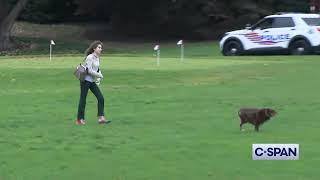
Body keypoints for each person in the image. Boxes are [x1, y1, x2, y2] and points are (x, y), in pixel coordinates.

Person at [76, 40, 110, 125]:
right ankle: (80, 120)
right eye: (99, 47)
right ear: (94, 48)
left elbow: (97, 69)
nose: (100, 49)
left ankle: (101, 118)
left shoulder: (98, 58)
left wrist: (99, 74)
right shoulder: (90, 57)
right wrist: (99, 75)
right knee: (83, 99)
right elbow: (89, 70)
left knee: (101, 98)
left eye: (101, 48)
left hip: (91, 81)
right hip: (85, 80)